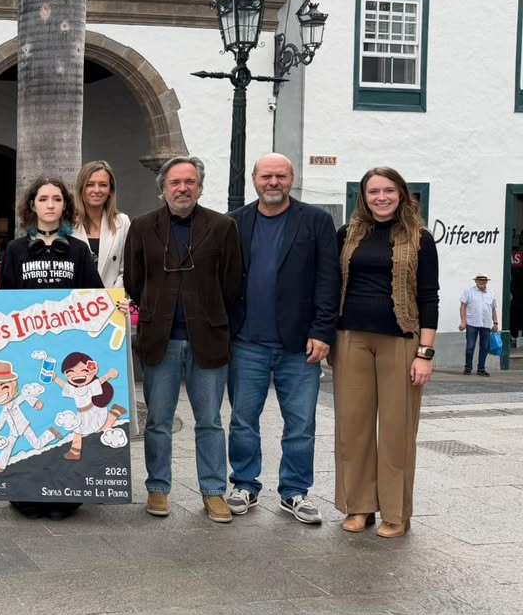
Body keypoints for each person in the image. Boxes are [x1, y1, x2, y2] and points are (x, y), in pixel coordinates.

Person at [124, 156, 242, 524]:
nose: (183, 188)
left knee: (210, 421)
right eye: (175, 182)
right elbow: (134, 280)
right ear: (163, 188)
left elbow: (232, 282)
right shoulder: (142, 227)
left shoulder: (222, 226)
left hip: (207, 338)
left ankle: (213, 491)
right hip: (161, 340)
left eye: (190, 182)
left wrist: (207, 311)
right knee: (158, 420)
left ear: (200, 188)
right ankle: (158, 487)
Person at [224, 154, 340, 525]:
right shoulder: (235, 222)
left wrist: (322, 331)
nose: (273, 182)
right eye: (266, 176)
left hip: (300, 345)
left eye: (281, 176)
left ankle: (295, 491)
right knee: (243, 421)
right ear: (254, 179)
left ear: (292, 178)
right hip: (246, 343)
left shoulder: (316, 221)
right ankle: (244, 484)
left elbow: (328, 280)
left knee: (301, 424)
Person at [334, 166, 438, 538]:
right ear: (363, 197)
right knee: (353, 428)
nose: (381, 197)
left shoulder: (420, 238)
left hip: (401, 340)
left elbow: (429, 297)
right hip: (351, 338)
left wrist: (425, 353)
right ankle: (359, 506)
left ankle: (396, 512)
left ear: (401, 194)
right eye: (374, 191)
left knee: (397, 430)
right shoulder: (347, 235)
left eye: (389, 191)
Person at [0, 176, 103, 520]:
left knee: (64, 420)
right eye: (43, 199)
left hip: (67, 351)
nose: (50, 205)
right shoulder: (16, 250)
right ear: (32, 205)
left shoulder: (78, 250)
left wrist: (114, 307)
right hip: (27, 350)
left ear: (65, 206)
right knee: (36, 420)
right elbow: (4, 299)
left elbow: (96, 295)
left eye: (56, 199)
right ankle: (27, 494)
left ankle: (65, 495)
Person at [72, 160, 132, 288]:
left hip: (112, 297)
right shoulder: (67, 225)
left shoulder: (122, 222)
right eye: (90, 184)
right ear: (81, 188)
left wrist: (111, 295)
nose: (97, 190)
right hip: (75, 298)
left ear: (110, 190)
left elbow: (128, 269)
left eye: (103, 185)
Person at [459, 274, 499, 376]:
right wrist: (463, 321)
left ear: (486, 282)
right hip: (472, 323)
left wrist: (495, 322)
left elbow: (493, 309)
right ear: (476, 281)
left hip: (486, 324)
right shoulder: (469, 291)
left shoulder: (491, 293)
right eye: (479, 280)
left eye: (484, 280)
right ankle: (468, 367)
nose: (481, 282)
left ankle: (481, 369)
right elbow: (463, 307)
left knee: (484, 347)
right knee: (470, 346)